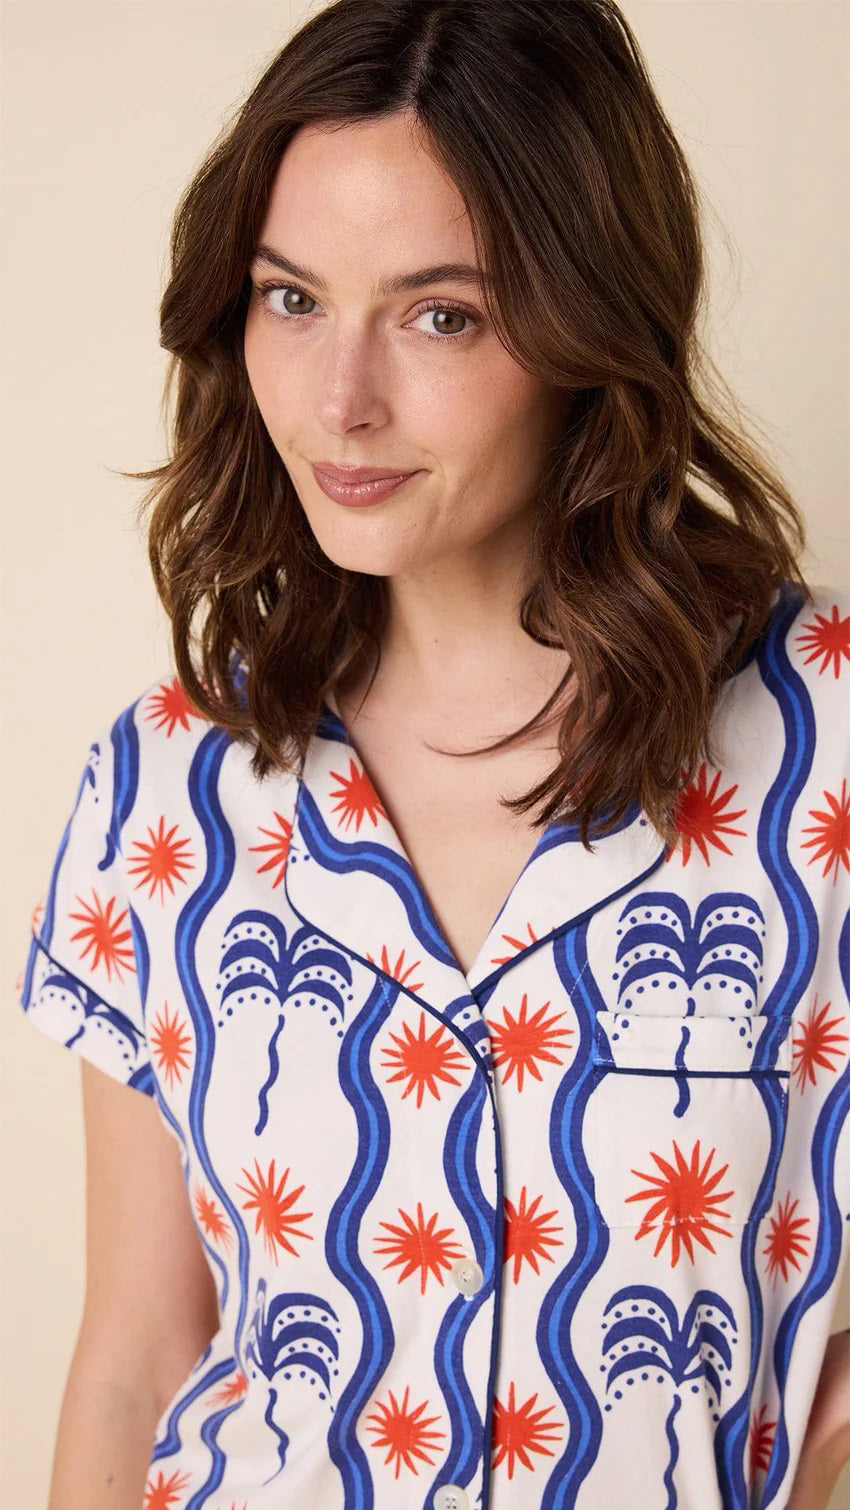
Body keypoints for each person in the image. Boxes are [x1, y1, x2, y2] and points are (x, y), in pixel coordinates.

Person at [17, 1, 850, 1507]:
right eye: (289, 299)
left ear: (590, 323)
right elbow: (139, 1349)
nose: (339, 401)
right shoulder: (165, 785)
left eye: (439, 313)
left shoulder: (824, 748)